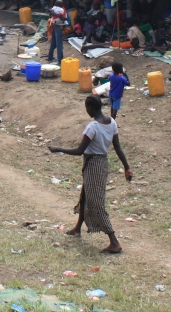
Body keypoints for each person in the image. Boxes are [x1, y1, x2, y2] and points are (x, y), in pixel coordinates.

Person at [49, 95, 132, 254]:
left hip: (93, 165)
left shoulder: (92, 127)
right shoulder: (112, 122)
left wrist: (59, 149)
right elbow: (118, 147)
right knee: (85, 196)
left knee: (95, 203)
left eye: (87, 107)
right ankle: (77, 228)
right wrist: (127, 167)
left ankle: (114, 241)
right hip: (103, 163)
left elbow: (79, 151)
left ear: (91, 108)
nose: (86, 110)